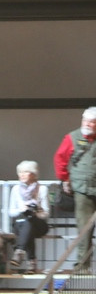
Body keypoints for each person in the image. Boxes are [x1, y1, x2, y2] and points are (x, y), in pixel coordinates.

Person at [56, 107, 96, 270]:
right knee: (84, 228)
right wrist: (64, 178)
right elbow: (60, 159)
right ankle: (82, 265)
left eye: (92, 122)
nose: (88, 124)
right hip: (82, 189)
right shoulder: (72, 137)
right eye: (85, 121)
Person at [8, 160, 50, 273]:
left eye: (25, 172)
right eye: (20, 172)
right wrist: (21, 209)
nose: (22, 175)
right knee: (27, 224)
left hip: (39, 223)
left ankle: (20, 251)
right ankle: (31, 262)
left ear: (33, 174)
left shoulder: (42, 189)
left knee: (29, 221)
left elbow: (46, 213)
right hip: (20, 223)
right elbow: (11, 212)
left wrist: (35, 211)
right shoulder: (16, 189)